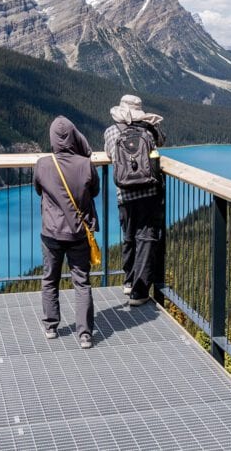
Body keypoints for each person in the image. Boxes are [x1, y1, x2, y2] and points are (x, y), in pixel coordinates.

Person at [33, 116, 100, 349]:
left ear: (52, 138)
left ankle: (51, 326)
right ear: (74, 136)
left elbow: (38, 189)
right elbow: (95, 191)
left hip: (51, 232)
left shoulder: (43, 164)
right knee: (81, 282)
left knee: (50, 279)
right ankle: (85, 334)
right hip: (78, 232)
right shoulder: (86, 164)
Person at [104, 94, 166, 306]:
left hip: (125, 194)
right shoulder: (148, 131)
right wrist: (149, 124)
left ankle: (128, 281)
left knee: (128, 237)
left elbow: (110, 154)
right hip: (149, 192)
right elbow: (162, 141)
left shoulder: (111, 132)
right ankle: (139, 293)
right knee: (146, 239)